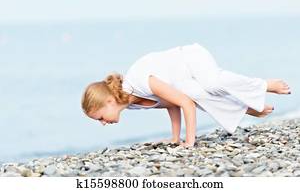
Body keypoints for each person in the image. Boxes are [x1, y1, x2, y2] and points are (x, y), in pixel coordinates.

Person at [81, 43, 291, 147]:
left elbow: (185, 105)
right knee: (197, 94)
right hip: (182, 80)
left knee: (211, 82)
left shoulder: (138, 83)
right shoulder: (130, 103)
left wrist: (190, 141)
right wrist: (175, 138)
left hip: (190, 58)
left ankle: (263, 85)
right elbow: (172, 104)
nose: (102, 123)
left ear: (109, 101)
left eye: (100, 117)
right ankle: (249, 107)